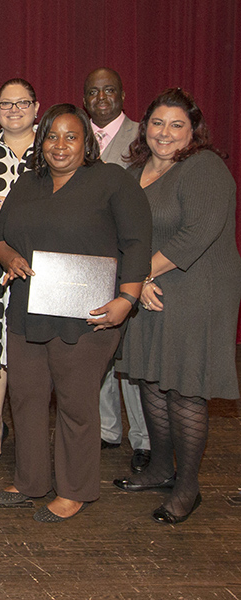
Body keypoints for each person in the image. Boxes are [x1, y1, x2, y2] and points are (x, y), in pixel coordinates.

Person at [0, 103, 152, 522]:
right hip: (29, 310)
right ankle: (31, 481)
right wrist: (7, 256)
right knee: (25, 398)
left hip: (87, 316)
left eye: (71, 136)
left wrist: (127, 299)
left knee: (76, 404)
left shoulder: (112, 181)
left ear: (88, 143)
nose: (60, 145)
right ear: (41, 141)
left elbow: (137, 242)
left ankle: (74, 489)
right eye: (52, 136)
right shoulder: (28, 184)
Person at [114, 88, 240, 524]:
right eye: (157, 123)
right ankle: (161, 468)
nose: (164, 133)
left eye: (177, 125)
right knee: (151, 376)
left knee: (185, 386)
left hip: (194, 289)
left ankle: (188, 487)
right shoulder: (132, 173)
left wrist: (141, 275)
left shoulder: (205, 168)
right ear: (144, 126)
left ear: (193, 132)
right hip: (148, 291)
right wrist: (138, 280)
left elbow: (197, 233)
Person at [83, 67, 149, 472]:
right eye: (93, 92)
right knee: (98, 348)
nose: (101, 98)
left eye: (109, 90)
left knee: (130, 361)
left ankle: (141, 439)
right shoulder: (74, 136)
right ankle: (108, 430)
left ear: (123, 94)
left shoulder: (146, 135)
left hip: (131, 260)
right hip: (90, 259)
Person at [0, 78, 40, 465]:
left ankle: (29, 428)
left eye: (22, 103)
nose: (14, 110)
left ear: (37, 107)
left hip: (41, 265)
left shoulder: (53, 148)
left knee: (31, 351)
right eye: (5, 104)